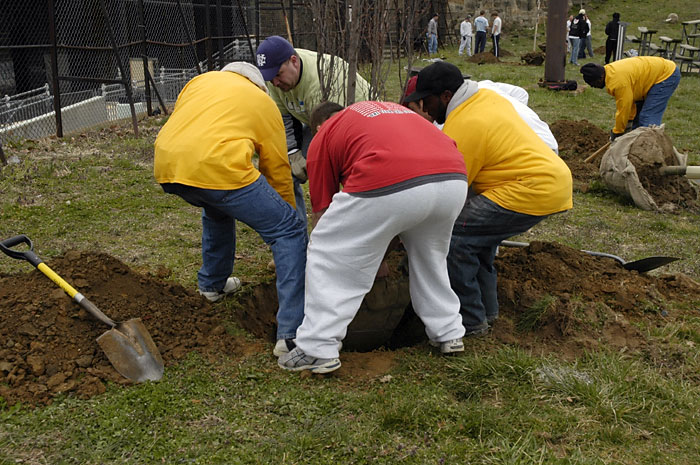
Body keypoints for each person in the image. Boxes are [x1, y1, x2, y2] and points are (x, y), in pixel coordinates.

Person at [278, 100, 469, 373]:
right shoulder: (384, 111)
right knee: (430, 257)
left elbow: (324, 215)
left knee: (325, 250)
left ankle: (316, 347)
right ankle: (448, 331)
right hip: (452, 179)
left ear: (319, 127)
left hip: (390, 177)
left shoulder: (324, 136)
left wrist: (361, 255)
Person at [404, 61, 572, 336]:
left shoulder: (465, 124)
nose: (426, 109)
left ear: (446, 96)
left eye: (427, 101)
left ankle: (470, 322)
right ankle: (488, 311)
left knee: (456, 236)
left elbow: (451, 193)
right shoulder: (484, 97)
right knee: (477, 238)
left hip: (530, 188)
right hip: (547, 179)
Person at [153, 62, 307, 353]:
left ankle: (212, 285)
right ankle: (291, 335)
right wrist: (285, 216)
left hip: (168, 166)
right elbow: (276, 168)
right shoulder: (263, 102)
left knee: (216, 207)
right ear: (258, 84)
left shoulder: (200, 82)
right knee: (288, 231)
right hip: (219, 167)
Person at [255, 35, 371, 229]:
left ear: (294, 61)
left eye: (278, 74)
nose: (274, 82)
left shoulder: (321, 80)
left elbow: (334, 135)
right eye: (269, 77)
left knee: (341, 178)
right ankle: (293, 235)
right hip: (315, 122)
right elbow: (283, 119)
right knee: (283, 170)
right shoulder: (275, 82)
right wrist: (292, 154)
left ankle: (347, 230)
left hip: (355, 122)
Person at [402, 76, 558, 154]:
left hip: (531, 157)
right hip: (548, 146)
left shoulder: (449, 125)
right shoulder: (483, 87)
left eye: (413, 111)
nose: (414, 119)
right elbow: (521, 93)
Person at [580, 57, 681, 141]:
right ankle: (636, 148)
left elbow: (624, 106)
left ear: (600, 77)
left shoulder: (617, 82)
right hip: (650, 79)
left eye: (593, 84)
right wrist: (629, 121)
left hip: (666, 75)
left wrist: (618, 132)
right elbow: (631, 100)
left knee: (647, 119)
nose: (593, 87)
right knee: (637, 123)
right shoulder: (610, 72)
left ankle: (650, 151)